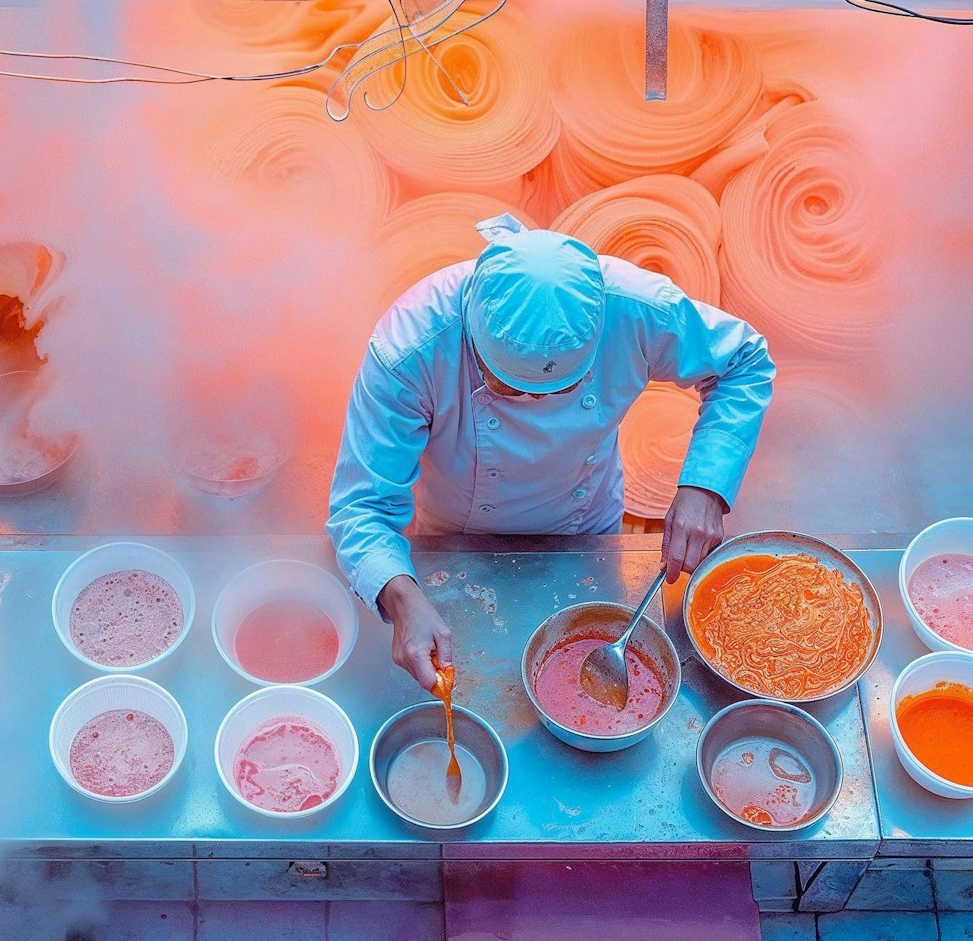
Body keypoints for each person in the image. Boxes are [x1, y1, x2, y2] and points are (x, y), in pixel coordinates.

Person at [326, 215, 775, 691]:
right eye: (510, 387)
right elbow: (361, 507)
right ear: (473, 337)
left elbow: (743, 361)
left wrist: (705, 486)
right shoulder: (409, 350)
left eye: (556, 389)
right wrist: (401, 596)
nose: (536, 403)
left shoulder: (636, 308)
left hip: (585, 531)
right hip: (456, 538)